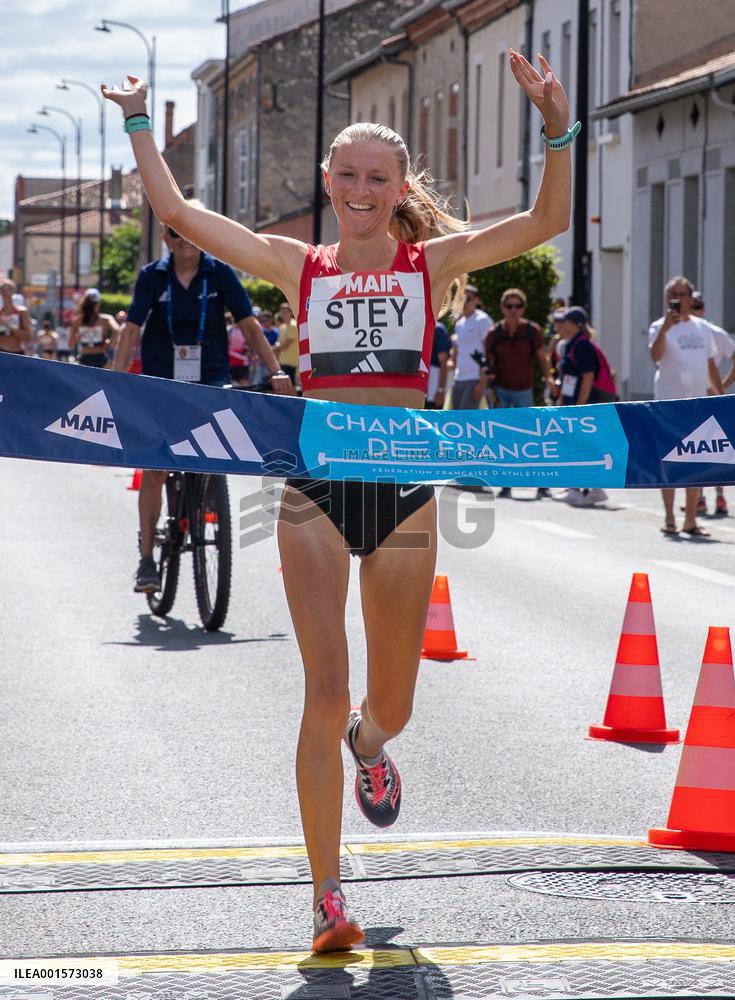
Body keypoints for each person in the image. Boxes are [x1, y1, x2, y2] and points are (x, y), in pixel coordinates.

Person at [103, 50, 573, 952]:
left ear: (399, 189)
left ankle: (371, 744)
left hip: (399, 488)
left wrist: (556, 124)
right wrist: (135, 119)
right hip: (313, 485)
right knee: (323, 694)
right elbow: (177, 212)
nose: (359, 189)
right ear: (328, 183)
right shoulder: (295, 264)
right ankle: (326, 897)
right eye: (346, 175)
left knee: (387, 704)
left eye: (376, 178)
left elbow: (548, 218)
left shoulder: (429, 265)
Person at [111, 207, 293, 593]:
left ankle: (207, 501)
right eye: (176, 235)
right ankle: (146, 558)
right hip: (162, 380)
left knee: (213, 454)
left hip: (210, 377)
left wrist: (275, 370)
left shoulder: (219, 273)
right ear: (166, 239)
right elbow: (130, 331)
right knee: (155, 469)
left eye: (191, 233)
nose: (185, 241)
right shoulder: (152, 277)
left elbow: (248, 324)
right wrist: (113, 381)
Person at [649, 276, 723, 536]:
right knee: (668, 462)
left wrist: (719, 395)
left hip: (697, 404)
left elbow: (710, 364)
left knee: (696, 462)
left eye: (683, 294)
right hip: (668, 404)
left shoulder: (703, 328)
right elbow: (655, 356)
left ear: (692, 299)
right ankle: (669, 517)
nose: (679, 298)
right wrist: (666, 328)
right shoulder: (659, 326)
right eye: (673, 294)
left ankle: (690, 519)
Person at [485, 287, 552, 499]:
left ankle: (541, 483)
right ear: (502, 308)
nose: (514, 310)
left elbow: (542, 358)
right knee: (504, 439)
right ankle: (507, 484)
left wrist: (549, 377)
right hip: (502, 390)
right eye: (509, 306)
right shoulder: (494, 334)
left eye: (518, 306)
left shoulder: (532, 331)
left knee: (530, 436)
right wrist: (488, 380)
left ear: (523, 308)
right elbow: (488, 362)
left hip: (525, 389)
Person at [556, 306, 609, 507]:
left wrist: (579, 408)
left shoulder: (581, 346)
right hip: (575, 404)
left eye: (565, 321)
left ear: (576, 325)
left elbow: (588, 377)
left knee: (581, 446)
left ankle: (587, 489)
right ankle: (583, 488)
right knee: (578, 446)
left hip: (583, 406)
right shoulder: (570, 345)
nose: (561, 325)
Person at [690, 291, 735, 516]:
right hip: (690, 397)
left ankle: (719, 496)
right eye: (691, 306)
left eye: (698, 306)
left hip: (710, 396)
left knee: (716, 448)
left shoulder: (713, 333)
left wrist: (723, 385)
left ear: (703, 309)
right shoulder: (683, 331)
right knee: (694, 449)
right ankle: (698, 498)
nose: (694, 310)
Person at [450, 284, 493, 409]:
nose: (463, 302)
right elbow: (458, 351)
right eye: (460, 299)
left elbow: (489, 352)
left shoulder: (483, 320)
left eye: (467, 298)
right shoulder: (459, 324)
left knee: (468, 423)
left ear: (476, 300)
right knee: (456, 422)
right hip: (458, 378)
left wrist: (482, 383)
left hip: (474, 379)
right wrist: (451, 361)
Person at [69, 288, 120, 368]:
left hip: (84, 359)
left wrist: (80, 336)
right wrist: (110, 345)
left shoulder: (77, 320)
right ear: (98, 303)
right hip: (101, 359)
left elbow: (71, 344)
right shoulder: (106, 319)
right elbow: (117, 330)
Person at [0, 280, 31, 355]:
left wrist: (9, 326)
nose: (5, 293)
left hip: (17, 353)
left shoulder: (21, 312)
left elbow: (28, 337)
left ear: (13, 291)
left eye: (8, 289)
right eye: (2, 290)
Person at [426, 321, 451, 408]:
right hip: (427, 386)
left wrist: (440, 390)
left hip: (435, 385)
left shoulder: (438, 330)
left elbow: (444, 362)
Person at [278, 302, 300, 387]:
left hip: (292, 363)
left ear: (290, 312)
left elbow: (285, 346)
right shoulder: (282, 327)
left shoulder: (294, 325)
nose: (283, 314)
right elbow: (280, 344)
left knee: (291, 388)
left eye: (285, 312)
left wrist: (271, 349)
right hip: (283, 361)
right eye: (282, 312)